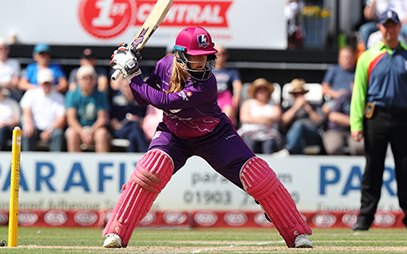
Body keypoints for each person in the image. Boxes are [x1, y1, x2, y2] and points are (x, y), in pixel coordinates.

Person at [102, 26, 312, 248]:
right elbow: (143, 98)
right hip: (174, 134)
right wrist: (131, 76)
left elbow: (165, 102)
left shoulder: (207, 84)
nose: (202, 63)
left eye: (205, 57)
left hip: (214, 135)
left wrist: (134, 74)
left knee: (258, 176)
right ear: (181, 55)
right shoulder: (164, 65)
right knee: (151, 169)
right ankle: (117, 231)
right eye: (196, 58)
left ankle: (297, 233)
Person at [350, 10, 407, 231]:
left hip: (404, 118)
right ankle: (365, 217)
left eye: (393, 25)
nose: (389, 29)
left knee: (405, 168)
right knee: (372, 168)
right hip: (375, 117)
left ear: (399, 27)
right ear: (379, 27)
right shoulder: (368, 57)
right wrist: (356, 124)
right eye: (385, 25)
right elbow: (359, 93)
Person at [65, 65, 110, 152]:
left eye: (90, 77)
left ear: (95, 80)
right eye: (84, 78)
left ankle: (101, 163)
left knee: (102, 134)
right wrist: (82, 132)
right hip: (78, 127)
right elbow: (71, 119)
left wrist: (90, 132)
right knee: (71, 134)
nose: (87, 81)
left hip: (95, 127)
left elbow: (102, 119)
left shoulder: (101, 95)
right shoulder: (72, 95)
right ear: (78, 80)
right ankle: (75, 162)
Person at [20, 68, 66, 152]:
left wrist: (49, 130)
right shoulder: (30, 94)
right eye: (44, 83)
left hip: (52, 129)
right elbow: (26, 111)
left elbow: (61, 118)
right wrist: (29, 125)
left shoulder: (59, 97)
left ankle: (56, 159)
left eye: (48, 83)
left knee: (58, 134)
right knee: (27, 132)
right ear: (39, 83)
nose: (46, 85)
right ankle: (27, 159)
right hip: (34, 128)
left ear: (52, 83)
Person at [237, 78, 284, 154]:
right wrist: (265, 120)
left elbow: (277, 117)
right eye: (258, 89)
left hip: (269, 135)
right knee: (249, 144)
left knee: (269, 145)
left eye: (264, 89)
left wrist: (253, 119)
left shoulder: (274, 104)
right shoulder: (248, 103)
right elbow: (244, 118)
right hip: (249, 134)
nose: (261, 92)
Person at [280, 78, 325, 155]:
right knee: (299, 138)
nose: (299, 96)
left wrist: (308, 108)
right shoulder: (288, 107)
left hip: (312, 134)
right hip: (294, 137)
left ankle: (288, 149)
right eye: (296, 94)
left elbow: (319, 121)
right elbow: (282, 123)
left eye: (301, 93)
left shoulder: (315, 106)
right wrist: (295, 108)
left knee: (299, 125)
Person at [324, 82, 364, 156]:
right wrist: (355, 122)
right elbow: (334, 116)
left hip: (357, 131)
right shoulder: (344, 97)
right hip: (336, 130)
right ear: (351, 85)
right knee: (334, 148)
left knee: (360, 147)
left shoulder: (366, 99)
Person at [110, 77, 148, 152]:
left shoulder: (140, 102)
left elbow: (144, 119)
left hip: (136, 130)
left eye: (130, 86)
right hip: (121, 130)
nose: (128, 89)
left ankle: (131, 156)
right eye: (126, 86)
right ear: (121, 87)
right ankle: (145, 151)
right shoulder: (116, 101)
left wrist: (137, 120)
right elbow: (114, 122)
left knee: (132, 135)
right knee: (134, 127)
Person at [212, 45, 242, 127]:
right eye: (217, 53)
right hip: (210, 98)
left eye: (223, 53)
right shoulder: (207, 71)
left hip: (226, 98)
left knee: (226, 116)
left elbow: (237, 85)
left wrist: (237, 96)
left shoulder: (232, 71)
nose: (220, 56)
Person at [322, 46, 356, 116]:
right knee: (325, 109)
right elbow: (324, 89)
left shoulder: (357, 71)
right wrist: (338, 94)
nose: (348, 60)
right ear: (339, 59)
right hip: (336, 100)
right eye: (345, 57)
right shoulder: (334, 69)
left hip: (352, 100)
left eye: (349, 57)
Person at [0, 85, 21, 151]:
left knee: (3, 131)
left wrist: (5, 124)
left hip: (9, 129)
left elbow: (17, 120)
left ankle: (3, 152)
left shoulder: (12, 103)